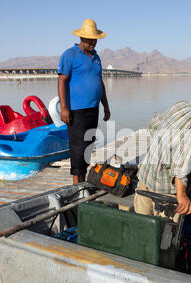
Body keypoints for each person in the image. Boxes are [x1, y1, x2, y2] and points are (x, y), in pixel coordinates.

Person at [57, 18, 111, 184]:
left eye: (94, 39)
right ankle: (76, 185)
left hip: (93, 110)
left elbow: (99, 82)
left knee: (88, 146)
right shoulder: (70, 55)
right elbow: (61, 81)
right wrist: (64, 108)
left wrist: (106, 106)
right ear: (81, 38)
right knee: (78, 149)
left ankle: (83, 181)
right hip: (76, 111)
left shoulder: (96, 57)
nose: (93, 43)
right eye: (90, 39)